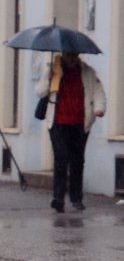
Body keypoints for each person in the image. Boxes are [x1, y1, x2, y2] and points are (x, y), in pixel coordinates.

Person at [34, 52, 106, 213]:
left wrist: (99, 108)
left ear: (78, 56)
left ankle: (76, 198)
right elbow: (39, 92)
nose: (71, 59)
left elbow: (98, 91)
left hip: (80, 123)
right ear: (63, 56)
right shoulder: (54, 71)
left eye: (74, 56)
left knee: (77, 161)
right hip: (58, 122)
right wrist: (49, 79)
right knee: (60, 159)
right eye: (68, 56)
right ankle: (58, 198)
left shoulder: (88, 72)